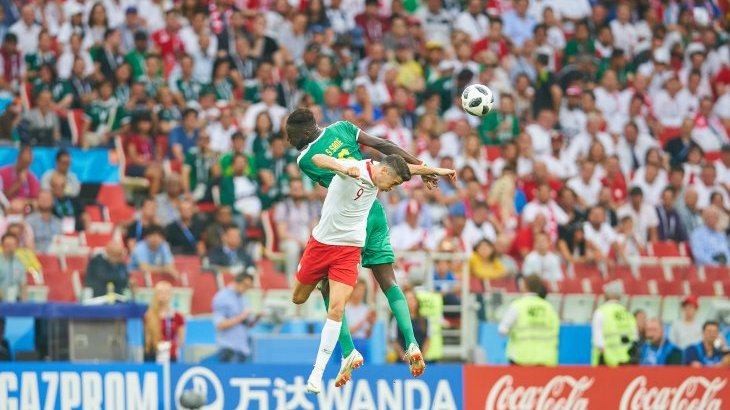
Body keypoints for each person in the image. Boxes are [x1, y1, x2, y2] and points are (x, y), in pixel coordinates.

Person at [285, 108, 444, 382]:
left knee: (328, 285)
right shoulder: (343, 128)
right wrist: (421, 166)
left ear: (307, 132)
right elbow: (385, 146)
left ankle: (347, 350)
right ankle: (411, 342)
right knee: (388, 280)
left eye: (291, 135)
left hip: (347, 223)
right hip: (375, 210)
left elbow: (332, 173)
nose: (289, 141)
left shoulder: (305, 159)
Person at [498, 274, 560, 366]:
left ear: (524, 286)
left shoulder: (517, 306)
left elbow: (502, 330)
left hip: (520, 360)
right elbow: (556, 330)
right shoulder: (549, 307)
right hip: (545, 361)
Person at [212, 272, 260, 363]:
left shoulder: (244, 298)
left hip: (243, 348)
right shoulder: (222, 297)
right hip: (228, 349)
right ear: (237, 282)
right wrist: (241, 316)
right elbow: (220, 325)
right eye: (245, 285)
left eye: (249, 287)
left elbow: (247, 324)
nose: (247, 289)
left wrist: (257, 318)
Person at [592, 281, 638, 366]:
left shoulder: (601, 312)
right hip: (627, 361)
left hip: (608, 361)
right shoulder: (627, 313)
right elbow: (635, 337)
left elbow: (598, 340)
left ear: (606, 295)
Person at [144, 281, 186, 362]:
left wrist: (172, 347)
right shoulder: (148, 316)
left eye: (166, 292)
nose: (163, 295)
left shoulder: (178, 317)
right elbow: (146, 338)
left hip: (170, 355)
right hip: (153, 353)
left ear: (171, 295)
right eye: (160, 292)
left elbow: (181, 340)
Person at [389, 287, 429, 365]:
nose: (410, 302)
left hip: (420, 361)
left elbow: (427, 340)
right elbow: (394, 340)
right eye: (407, 299)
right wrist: (405, 358)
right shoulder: (397, 319)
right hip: (402, 362)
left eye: (412, 299)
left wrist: (421, 358)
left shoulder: (425, 320)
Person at [345, 280, 375, 359]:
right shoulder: (345, 308)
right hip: (348, 346)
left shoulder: (366, 309)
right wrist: (364, 320)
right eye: (359, 290)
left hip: (363, 345)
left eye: (363, 290)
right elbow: (347, 331)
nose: (361, 293)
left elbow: (368, 334)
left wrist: (371, 324)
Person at [0, 233, 26, 302]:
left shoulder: (20, 263)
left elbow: (23, 284)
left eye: (13, 245)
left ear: (17, 246)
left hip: (16, 300)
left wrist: (24, 303)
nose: (10, 248)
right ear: (2, 245)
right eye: (7, 245)